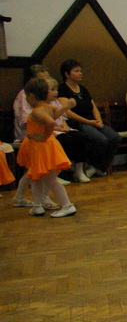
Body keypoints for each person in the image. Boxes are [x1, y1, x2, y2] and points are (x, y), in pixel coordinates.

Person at [17, 77, 76, 217]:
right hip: (41, 147)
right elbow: (55, 116)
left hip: (42, 146)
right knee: (36, 178)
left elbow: (50, 122)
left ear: (31, 96)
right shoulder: (47, 107)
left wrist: (44, 135)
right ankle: (37, 206)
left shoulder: (37, 111)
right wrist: (66, 107)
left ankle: (67, 205)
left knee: (50, 179)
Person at [57, 59, 121, 178]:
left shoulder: (83, 89)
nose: (80, 73)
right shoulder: (62, 89)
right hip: (78, 123)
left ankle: (98, 167)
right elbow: (67, 112)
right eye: (76, 71)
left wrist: (99, 120)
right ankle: (93, 165)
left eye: (80, 71)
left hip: (92, 121)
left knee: (115, 137)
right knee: (101, 139)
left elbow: (93, 107)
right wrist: (88, 122)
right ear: (67, 74)